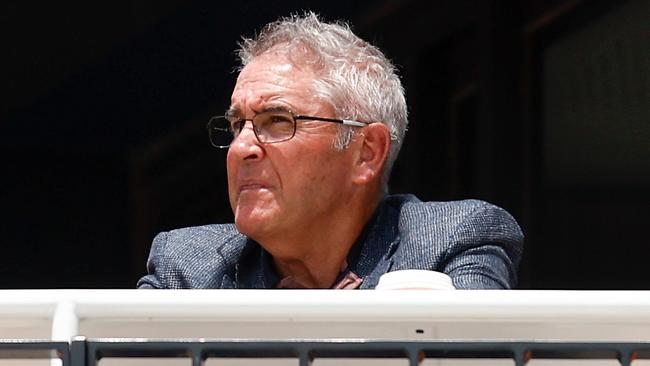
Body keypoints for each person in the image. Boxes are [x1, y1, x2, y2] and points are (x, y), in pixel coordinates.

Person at [137, 12, 523, 290]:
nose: (242, 147)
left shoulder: (450, 242)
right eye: (238, 125)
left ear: (367, 152)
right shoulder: (187, 267)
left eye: (277, 121)